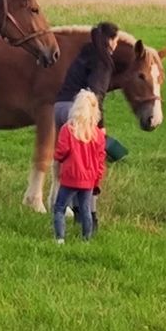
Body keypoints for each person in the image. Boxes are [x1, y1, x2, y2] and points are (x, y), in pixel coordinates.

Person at [51, 21, 119, 231]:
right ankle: (88, 214)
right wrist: (100, 126)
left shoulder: (85, 52)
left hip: (60, 108)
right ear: (112, 40)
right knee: (90, 158)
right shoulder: (104, 61)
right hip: (79, 109)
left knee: (74, 157)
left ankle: (71, 204)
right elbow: (95, 95)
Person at [52, 89, 106, 243]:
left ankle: (60, 239)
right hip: (88, 180)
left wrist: (58, 159)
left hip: (70, 177)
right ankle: (86, 239)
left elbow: (61, 152)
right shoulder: (98, 135)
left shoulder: (68, 130)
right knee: (86, 210)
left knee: (59, 208)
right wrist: (97, 179)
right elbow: (100, 160)